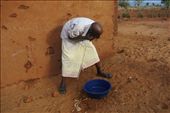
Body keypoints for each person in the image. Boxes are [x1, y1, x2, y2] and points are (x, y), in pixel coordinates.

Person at [59, 17, 112, 94]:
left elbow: (90, 37)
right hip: (69, 36)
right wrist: (84, 37)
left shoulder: (94, 26)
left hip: (83, 35)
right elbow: (71, 37)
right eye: (93, 36)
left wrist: (87, 38)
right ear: (90, 32)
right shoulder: (79, 28)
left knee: (92, 51)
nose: (93, 39)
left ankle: (99, 72)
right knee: (68, 58)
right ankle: (63, 83)